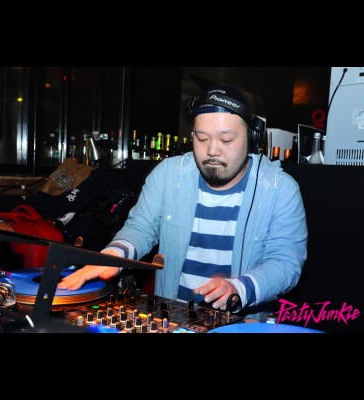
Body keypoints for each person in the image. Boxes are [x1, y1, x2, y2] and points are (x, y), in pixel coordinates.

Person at [58, 83, 308, 321]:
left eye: (226, 140)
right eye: (202, 138)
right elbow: (141, 227)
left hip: (239, 324)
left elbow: (285, 262)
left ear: (252, 139)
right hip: (170, 317)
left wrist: (240, 288)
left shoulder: (280, 189)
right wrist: (113, 256)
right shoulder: (167, 174)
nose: (212, 150)